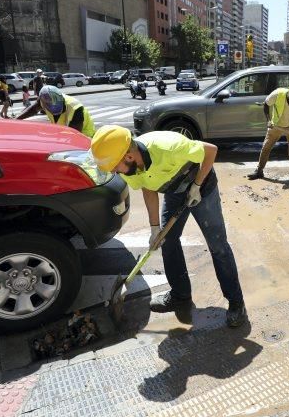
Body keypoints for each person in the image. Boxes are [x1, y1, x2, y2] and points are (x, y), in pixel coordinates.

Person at [90, 125, 247, 328]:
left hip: (202, 185)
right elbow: (148, 189)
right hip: (173, 190)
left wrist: (197, 186)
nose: (113, 171)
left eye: (113, 166)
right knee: (168, 240)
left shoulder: (168, 146)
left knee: (218, 245)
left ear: (128, 156)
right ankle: (180, 295)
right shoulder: (129, 168)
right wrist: (155, 228)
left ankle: (236, 303)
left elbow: (211, 150)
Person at [247, 81, 289, 184]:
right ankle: (259, 171)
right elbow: (266, 104)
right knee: (266, 147)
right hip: (276, 125)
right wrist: (268, 120)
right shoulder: (278, 94)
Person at [15, 85, 96, 137]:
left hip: (85, 135)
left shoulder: (75, 108)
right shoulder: (44, 100)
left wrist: (50, 134)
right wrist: (15, 121)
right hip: (64, 133)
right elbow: (32, 110)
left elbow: (75, 135)